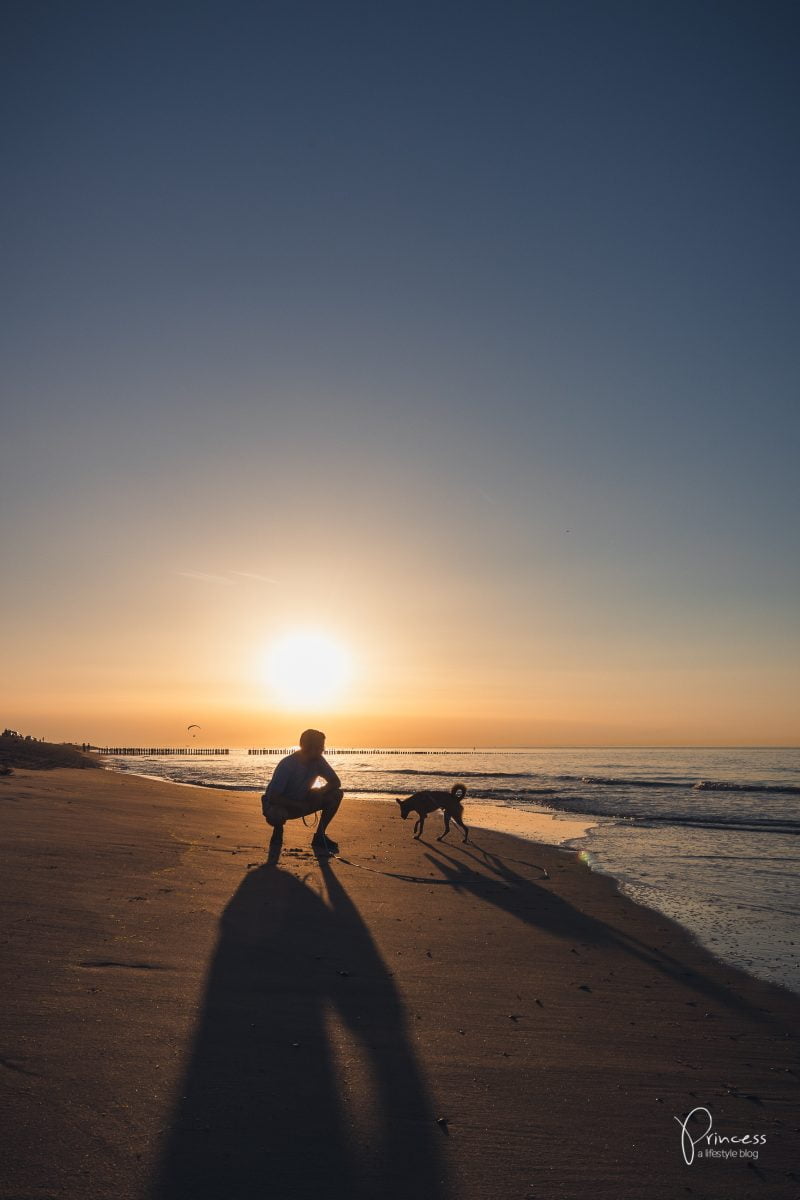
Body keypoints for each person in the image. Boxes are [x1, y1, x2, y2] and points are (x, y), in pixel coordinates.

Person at [261, 729, 343, 857]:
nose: (323, 750)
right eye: (320, 747)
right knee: (276, 814)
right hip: (277, 805)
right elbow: (274, 796)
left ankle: (320, 836)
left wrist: (321, 791)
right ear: (308, 747)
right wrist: (298, 805)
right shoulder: (287, 764)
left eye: (322, 747)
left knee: (336, 795)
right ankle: (278, 830)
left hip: (303, 800)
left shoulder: (319, 761)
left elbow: (336, 782)